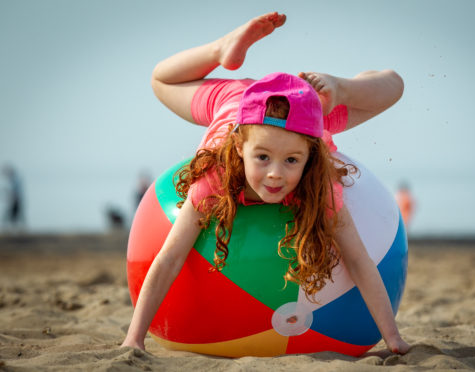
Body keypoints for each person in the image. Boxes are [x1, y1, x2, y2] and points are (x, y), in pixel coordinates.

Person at [122, 12, 409, 354]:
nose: (275, 173)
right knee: (160, 80)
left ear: (311, 155)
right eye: (262, 159)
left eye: (291, 161)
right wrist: (134, 338)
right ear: (240, 148)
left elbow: (360, 260)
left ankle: (342, 85)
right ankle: (221, 49)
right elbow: (169, 258)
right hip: (237, 102)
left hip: (306, 109)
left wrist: (393, 339)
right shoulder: (216, 175)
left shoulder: (318, 175)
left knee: (393, 86)